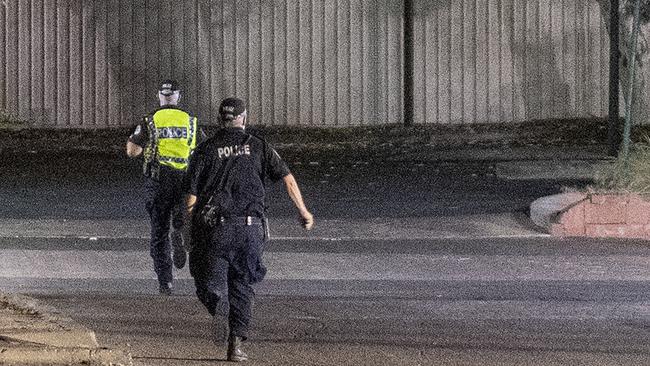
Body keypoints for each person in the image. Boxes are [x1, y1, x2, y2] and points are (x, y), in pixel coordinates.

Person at [185, 97, 314, 362]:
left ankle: (217, 303)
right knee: (242, 285)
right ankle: (236, 345)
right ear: (244, 118)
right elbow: (288, 179)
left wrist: (187, 231)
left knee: (205, 278)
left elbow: (191, 197)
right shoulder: (258, 146)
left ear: (221, 119)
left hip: (215, 229)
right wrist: (302, 210)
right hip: (250, 229)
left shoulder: (205, 149)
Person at [126, 80, 201, 296]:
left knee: (159, 232)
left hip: (158, 183)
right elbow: (202, 151)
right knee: (181, 219)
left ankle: (165, 283)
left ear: (160, 96)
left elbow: (132, 151)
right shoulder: (190, 121)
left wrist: (147, 149)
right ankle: (179, 231)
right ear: (178, 97)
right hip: (184, 183)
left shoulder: (150, 120)